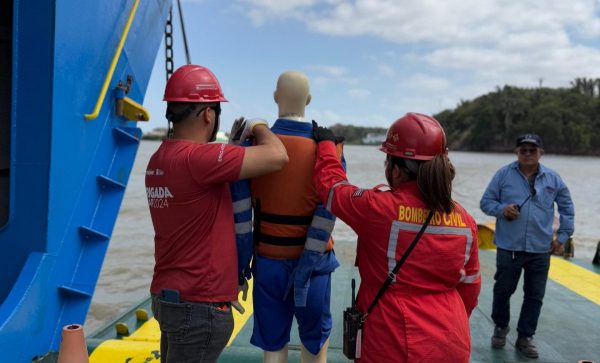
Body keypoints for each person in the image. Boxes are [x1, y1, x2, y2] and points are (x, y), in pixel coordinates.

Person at [145, 64, 288, 363]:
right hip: (198, 307)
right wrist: (258, 125)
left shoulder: (158, 160)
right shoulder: (200, 158)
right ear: (209, 114)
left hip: (168, 298)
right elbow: (277, 156)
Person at [312, 113, 481, 363]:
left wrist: (326, 146)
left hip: (393, 341)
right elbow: (470, 288)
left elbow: (332, 188)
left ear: (397, 170)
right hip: (451, 340)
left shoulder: (379, 209)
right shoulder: (465, 220)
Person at [229, 71, 343, 363]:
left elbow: (241, 223)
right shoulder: (330, 152)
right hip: (315, 267)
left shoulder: (252, 150)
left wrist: (240, 273)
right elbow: (332, 208)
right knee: (314, 347)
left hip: (268, 264)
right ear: (309, 100)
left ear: (275, 97)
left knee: (273, 349)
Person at [480, 134, 575, 359]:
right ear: (516, 152)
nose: (528, 153)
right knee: (502, 290)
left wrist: (561, 237)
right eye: (523, 149)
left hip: (540, 249)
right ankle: (500, 327)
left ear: (541, 153)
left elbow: (567, 208)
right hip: (508, 247)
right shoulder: (503, 175)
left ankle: (525, 337)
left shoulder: (554, 179)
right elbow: (486, 203)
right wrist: (502, 209)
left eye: (533, 150)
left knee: (534, 295)